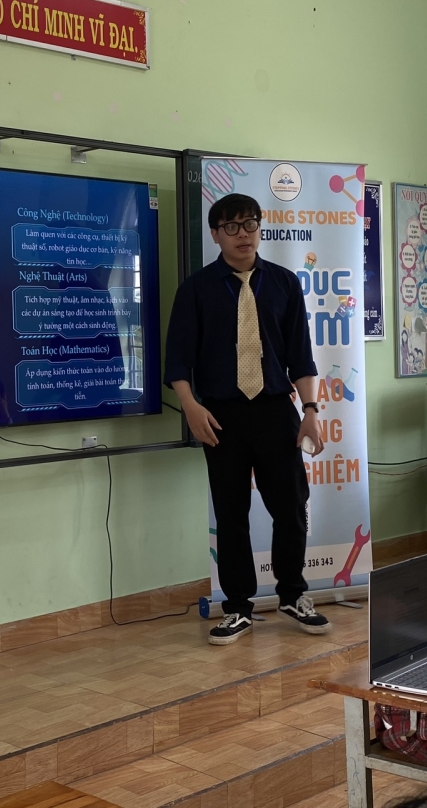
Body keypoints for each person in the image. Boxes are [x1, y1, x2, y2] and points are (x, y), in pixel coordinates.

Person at [164, 192, 328, 645]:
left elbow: (301, 356)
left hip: (276, 410)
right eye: (232, 227)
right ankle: (238, 607)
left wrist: (310, 411)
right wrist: (191, 407)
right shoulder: (196, 289)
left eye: (250, 224)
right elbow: (178, 359)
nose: (243, 234)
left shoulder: (284, 283)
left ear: (260, 228)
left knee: (291, 507)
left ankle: (293, 595)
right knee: (231, 512)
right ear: (215, 234)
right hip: (222, 416)